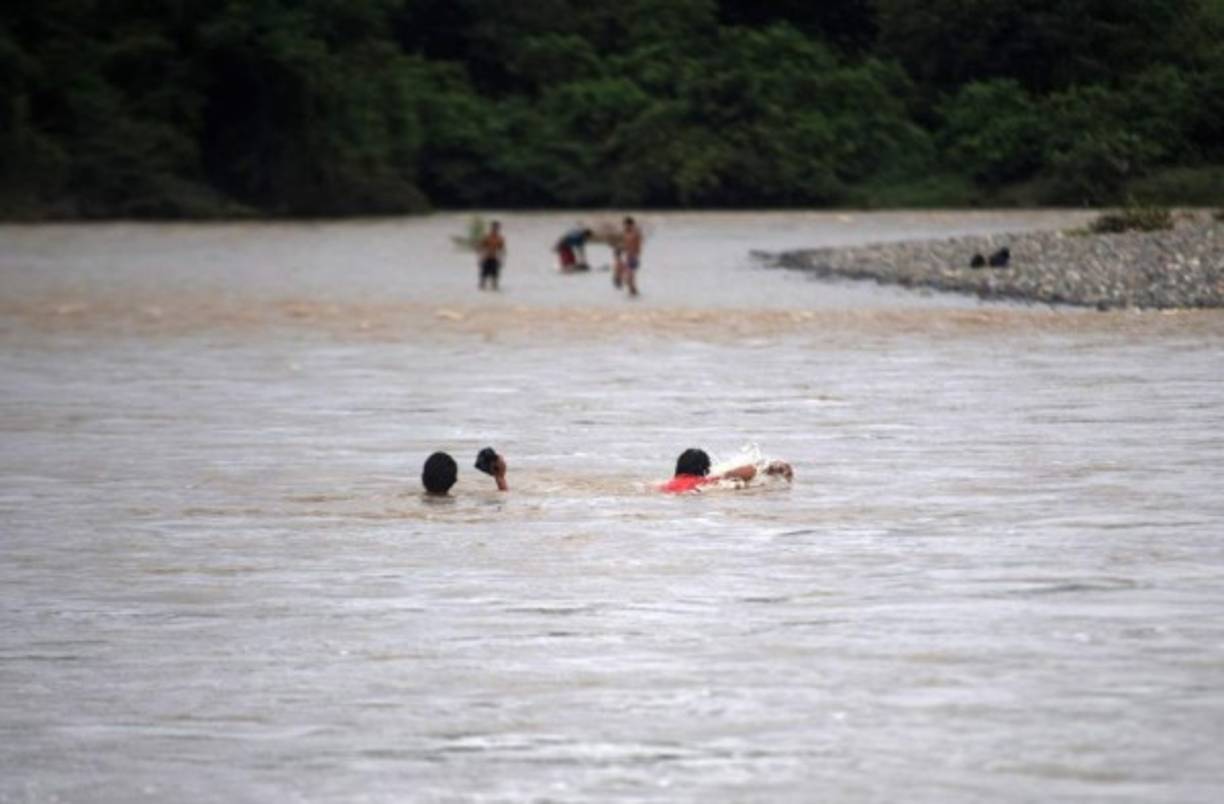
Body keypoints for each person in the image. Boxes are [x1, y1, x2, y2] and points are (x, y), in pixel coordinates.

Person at [658, 448, 793, 494]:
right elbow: (748, 471)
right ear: (706, 469)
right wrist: (770, 467)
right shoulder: (703, 482)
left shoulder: (664, 486)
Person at [422, 448, 508, 495]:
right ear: (454, 480)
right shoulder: (462, 500)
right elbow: (503, 496)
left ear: (423, 477)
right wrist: (500, 477)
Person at [478, 220, 505, 290]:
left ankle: (494, 291)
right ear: (491, 228)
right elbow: (480, 248)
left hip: (494, 259)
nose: (495, 229)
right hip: (486, 258)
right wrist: (480, 258)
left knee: (495, 279)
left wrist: (501, 260)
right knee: (483, 279)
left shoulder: (500, 239)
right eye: (494, 227)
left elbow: (502, 250)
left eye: (496, 228)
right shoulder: (487, 237)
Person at [621, 216, 642, 296]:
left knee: (629, 277)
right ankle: (633, 293)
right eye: (624, 225)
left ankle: (633, 292)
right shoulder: (625, 233)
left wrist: (636, 255)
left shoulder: (635, 234)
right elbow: (625, 246)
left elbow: (638, 246)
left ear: (631, 225)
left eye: (627, 224)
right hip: (627, 257)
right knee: (629, 278)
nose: (625, 226)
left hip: (633, 257)